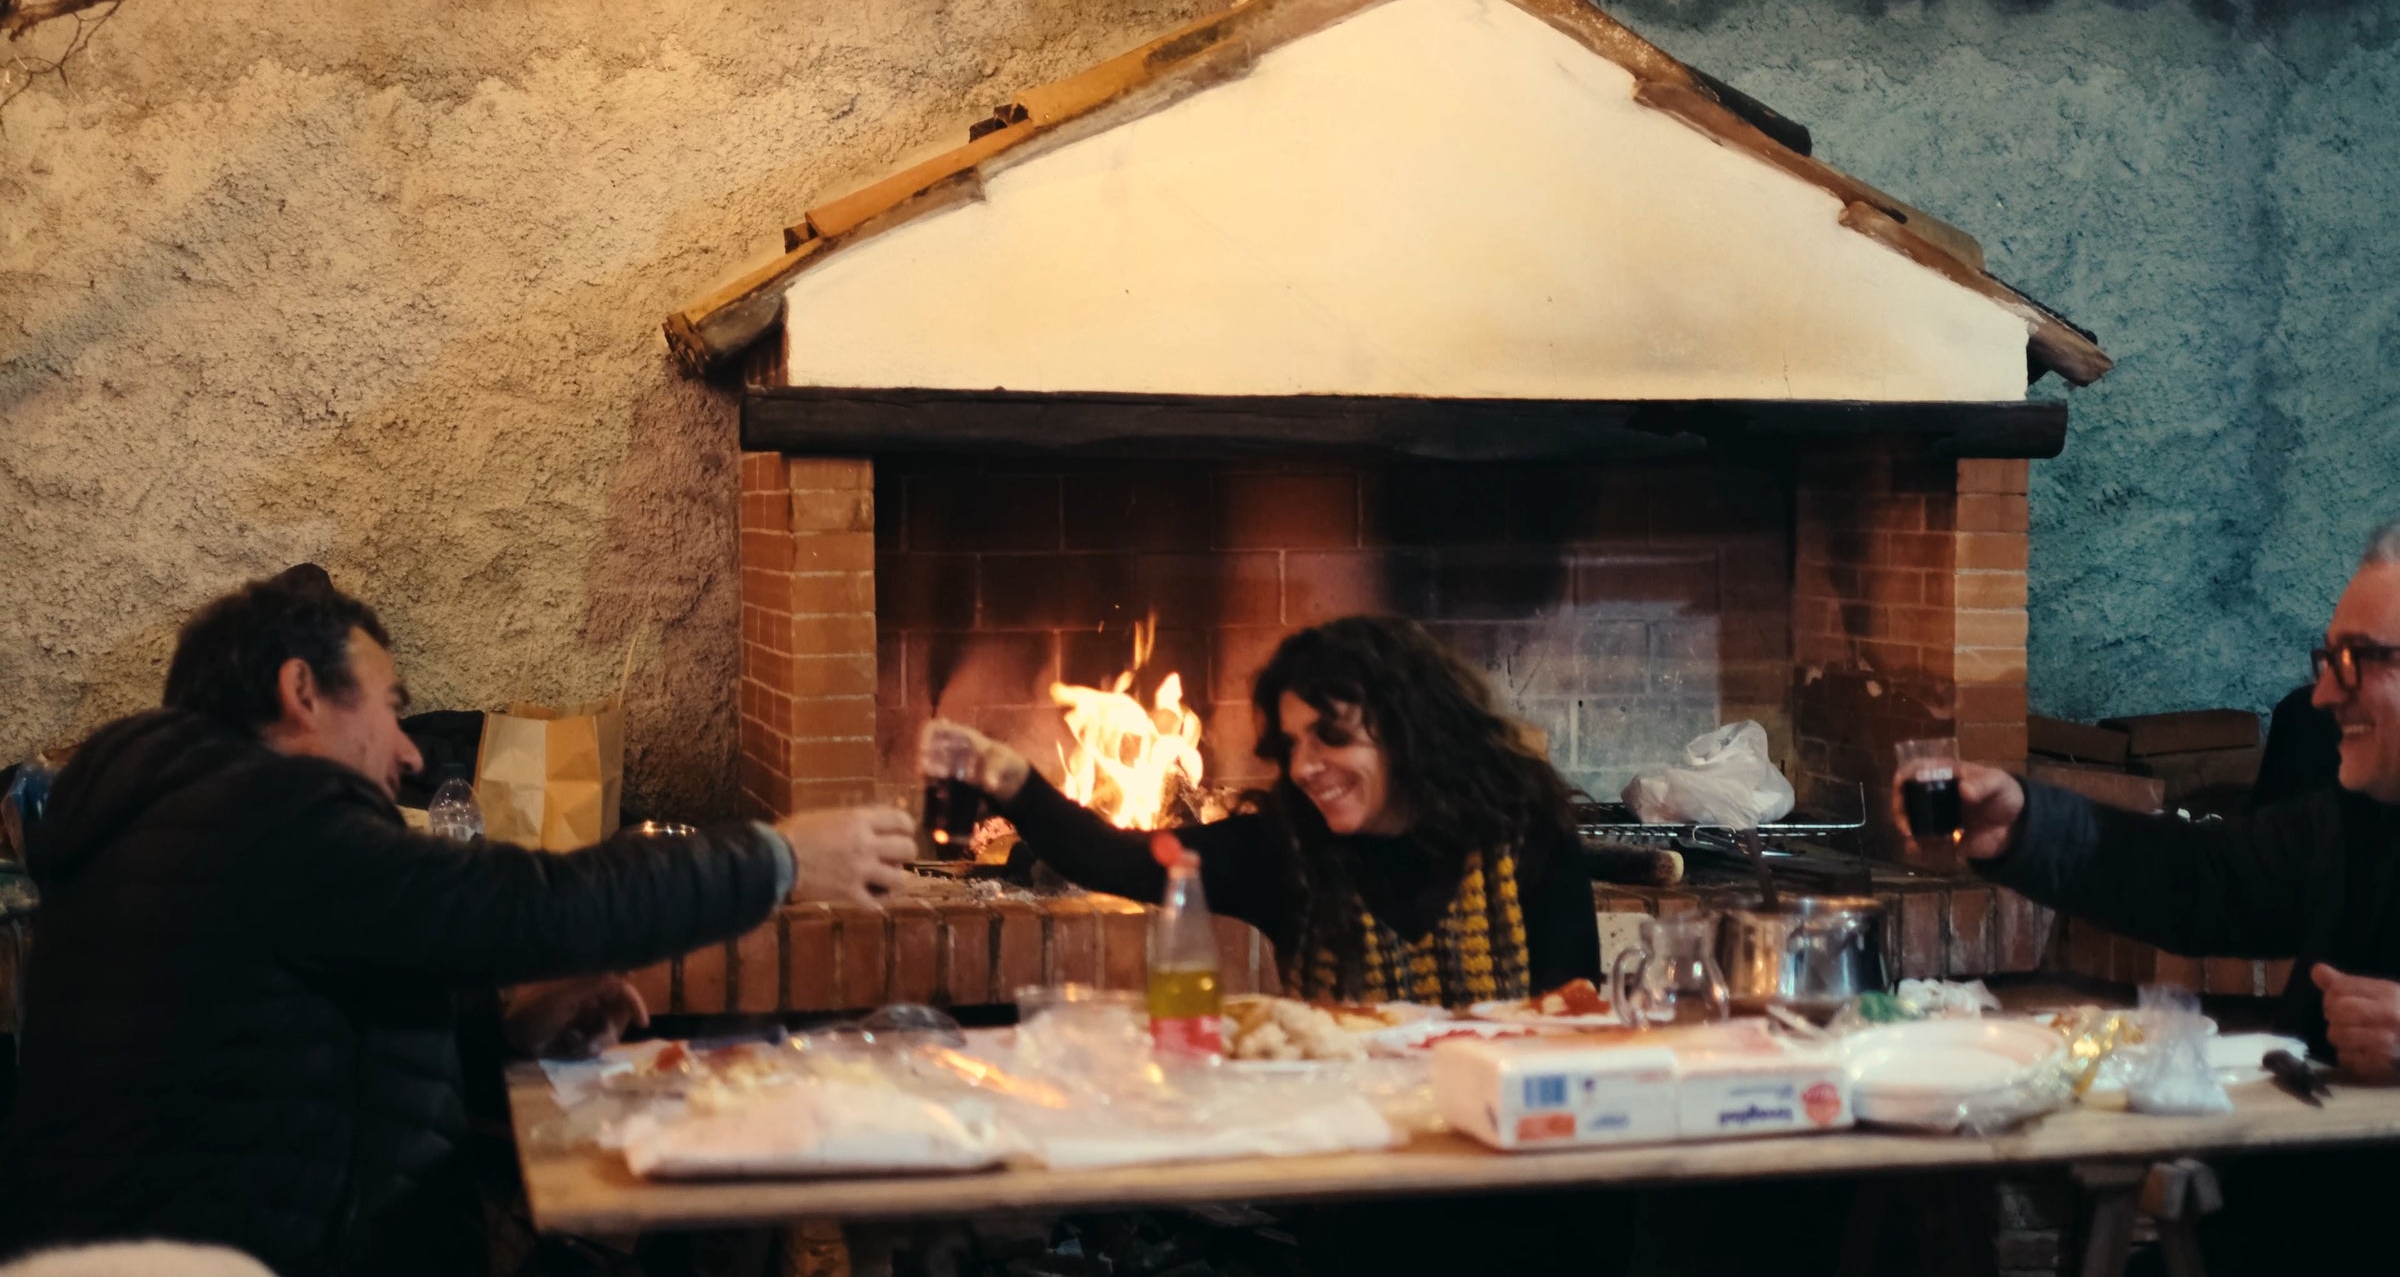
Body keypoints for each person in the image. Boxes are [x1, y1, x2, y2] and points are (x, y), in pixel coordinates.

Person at [0, 566, 915, 1277]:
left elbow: (291, 1046)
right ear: (302, 693)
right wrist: (778, 858)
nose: (406, 754)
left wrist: (504, 1028)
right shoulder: (265, 816)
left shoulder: (175, 817)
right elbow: (527, 904)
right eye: (392, 707)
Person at [1905, 521, 2400, 1270]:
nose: (2324, 693)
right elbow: (2201, 878)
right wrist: (2024, 826)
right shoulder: (2358, 813)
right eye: (2326, 658)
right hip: (2297, 1227)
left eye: (2354, 661)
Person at [922, 614, 1599, 1005]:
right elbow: (1121, 860)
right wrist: (1010, 779)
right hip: (1354, 1174)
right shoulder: (1289, 849)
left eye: (1331, 736)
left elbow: (1578, 1014)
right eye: (1292, 743)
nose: (1303, 767)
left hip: (1515, 1163)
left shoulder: (1524, 832)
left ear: (1410, 727)